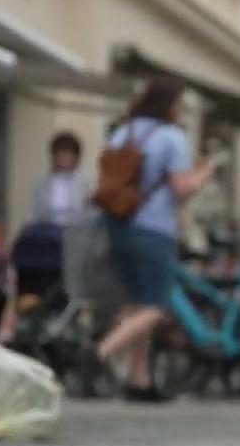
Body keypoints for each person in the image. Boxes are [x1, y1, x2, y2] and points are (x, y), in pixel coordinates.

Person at [93, 80, 220, 401]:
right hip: (153, 228)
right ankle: (100, 352)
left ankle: (140, 380)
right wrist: (204, 173)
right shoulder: (171, 137)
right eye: (178, 104)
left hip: (118, 223)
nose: (180, 111)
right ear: (168, 105)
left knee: (138, 302)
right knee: (157, 305)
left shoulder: (126, 132)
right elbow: (182, 188)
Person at [29, 132, 92, 228]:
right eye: (60, 155)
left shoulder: (86, 183)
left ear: (76, 158)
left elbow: (91, 214)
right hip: (47, 233)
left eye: (68, 155)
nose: (63, 159)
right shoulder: (41, 183)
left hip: (77, 234)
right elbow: (34, 214)